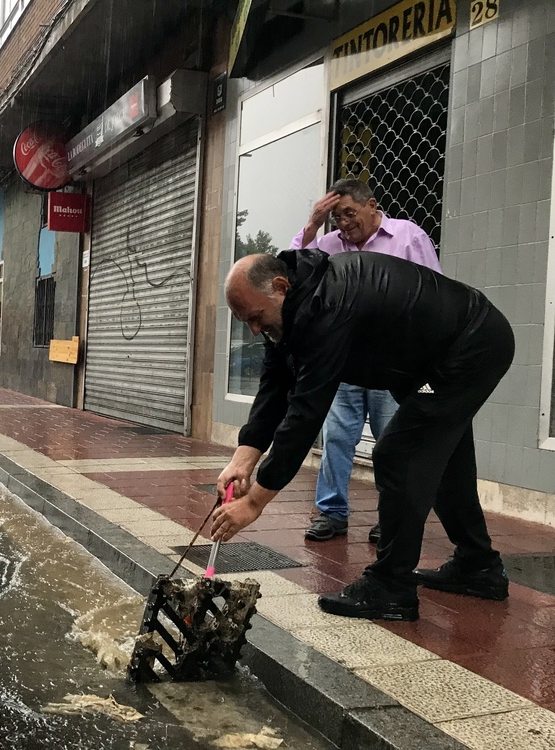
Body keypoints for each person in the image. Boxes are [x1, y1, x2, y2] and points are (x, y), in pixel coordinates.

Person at [211, 250, 513, 621]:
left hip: (471, 346)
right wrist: (243, 459)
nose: (255, 330)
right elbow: (276, 386)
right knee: (445, 461)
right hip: (433, 360)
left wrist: (255, 502)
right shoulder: (293, 310)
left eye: (256, 318)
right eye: (246, 323)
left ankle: (391, 587)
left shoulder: (326, 306)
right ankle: (478, 567)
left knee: (400, 455)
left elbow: (306, 412)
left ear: (280, 287)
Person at [291, 179, 441, 544]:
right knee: (337, 437)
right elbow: (293, 273)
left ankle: (391, 516)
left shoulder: (407, 236)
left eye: (349, 213)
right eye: (335, 216)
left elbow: (434, 289)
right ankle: (331, 512)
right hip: (344, 360)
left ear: (371, 206)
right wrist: (312, 225)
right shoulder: (326, 246)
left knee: (391, 442)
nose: (342, 223)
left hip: (393, 361)